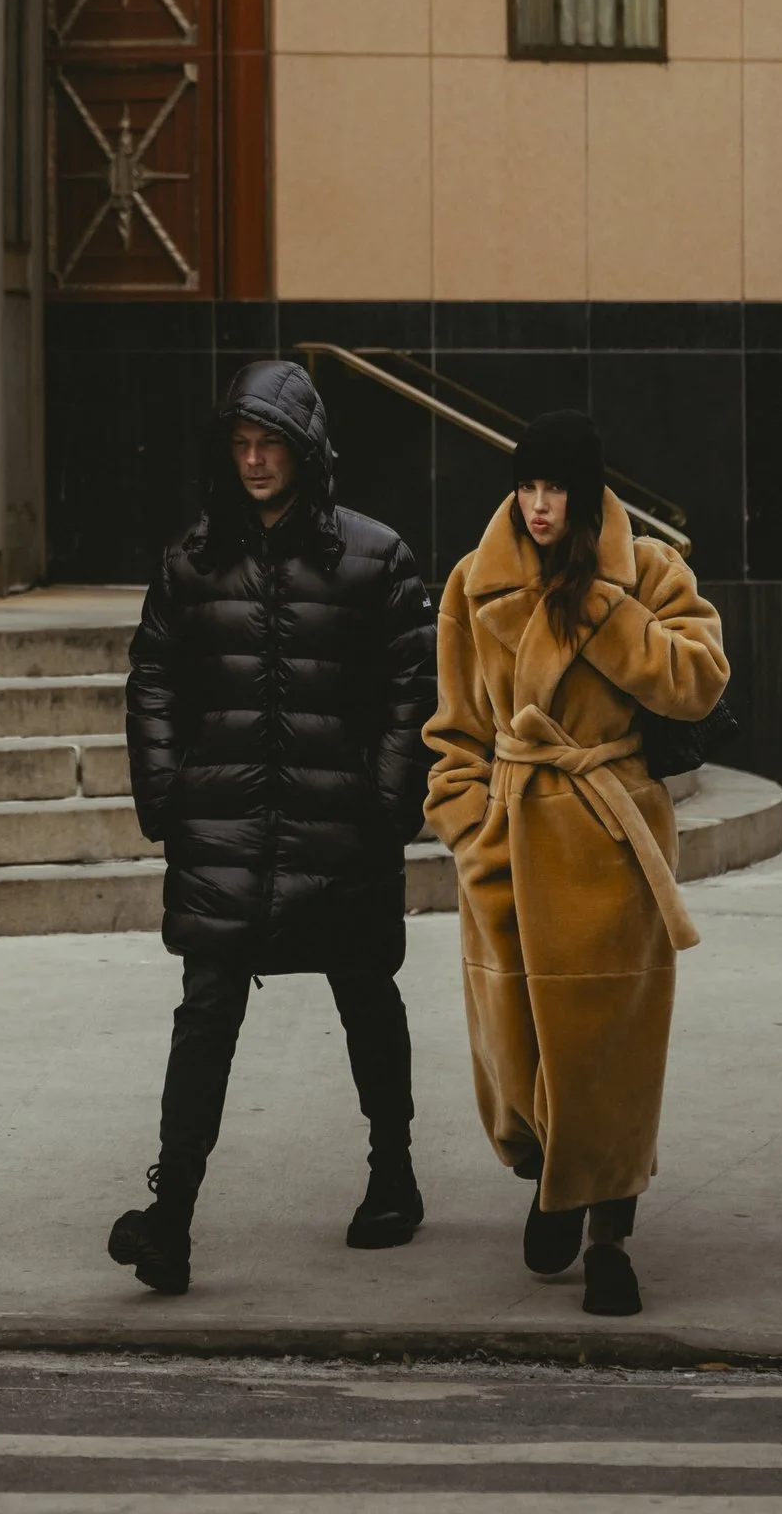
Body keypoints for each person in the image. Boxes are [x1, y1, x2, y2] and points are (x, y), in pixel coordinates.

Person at [108, 356, 435, 1296]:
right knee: (205, 1013)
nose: (255, 461)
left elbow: (415, 686)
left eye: (271, 445)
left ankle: (393, 1170)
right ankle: (171, 1218)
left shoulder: (374, 556)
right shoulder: (191, 559)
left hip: (343, 831)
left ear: (306, 451)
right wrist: (164, 790)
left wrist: (385, 801)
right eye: (242, 444)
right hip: (224, 832)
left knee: (366, 997)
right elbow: (155, 677)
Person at [424, 408, 730, 1318]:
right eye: (527, 486)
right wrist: (468, 826)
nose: (539, 505)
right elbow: (454, 730)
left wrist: (603, 612)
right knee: (519, 1071)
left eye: (555, 488)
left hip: (610, 842)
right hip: (510, 842)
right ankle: (548, 1171)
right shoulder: (473, 585)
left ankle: (608, 1236)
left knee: (610, 1055)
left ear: (588, 493)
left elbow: (700, 674)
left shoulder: (648, 572)